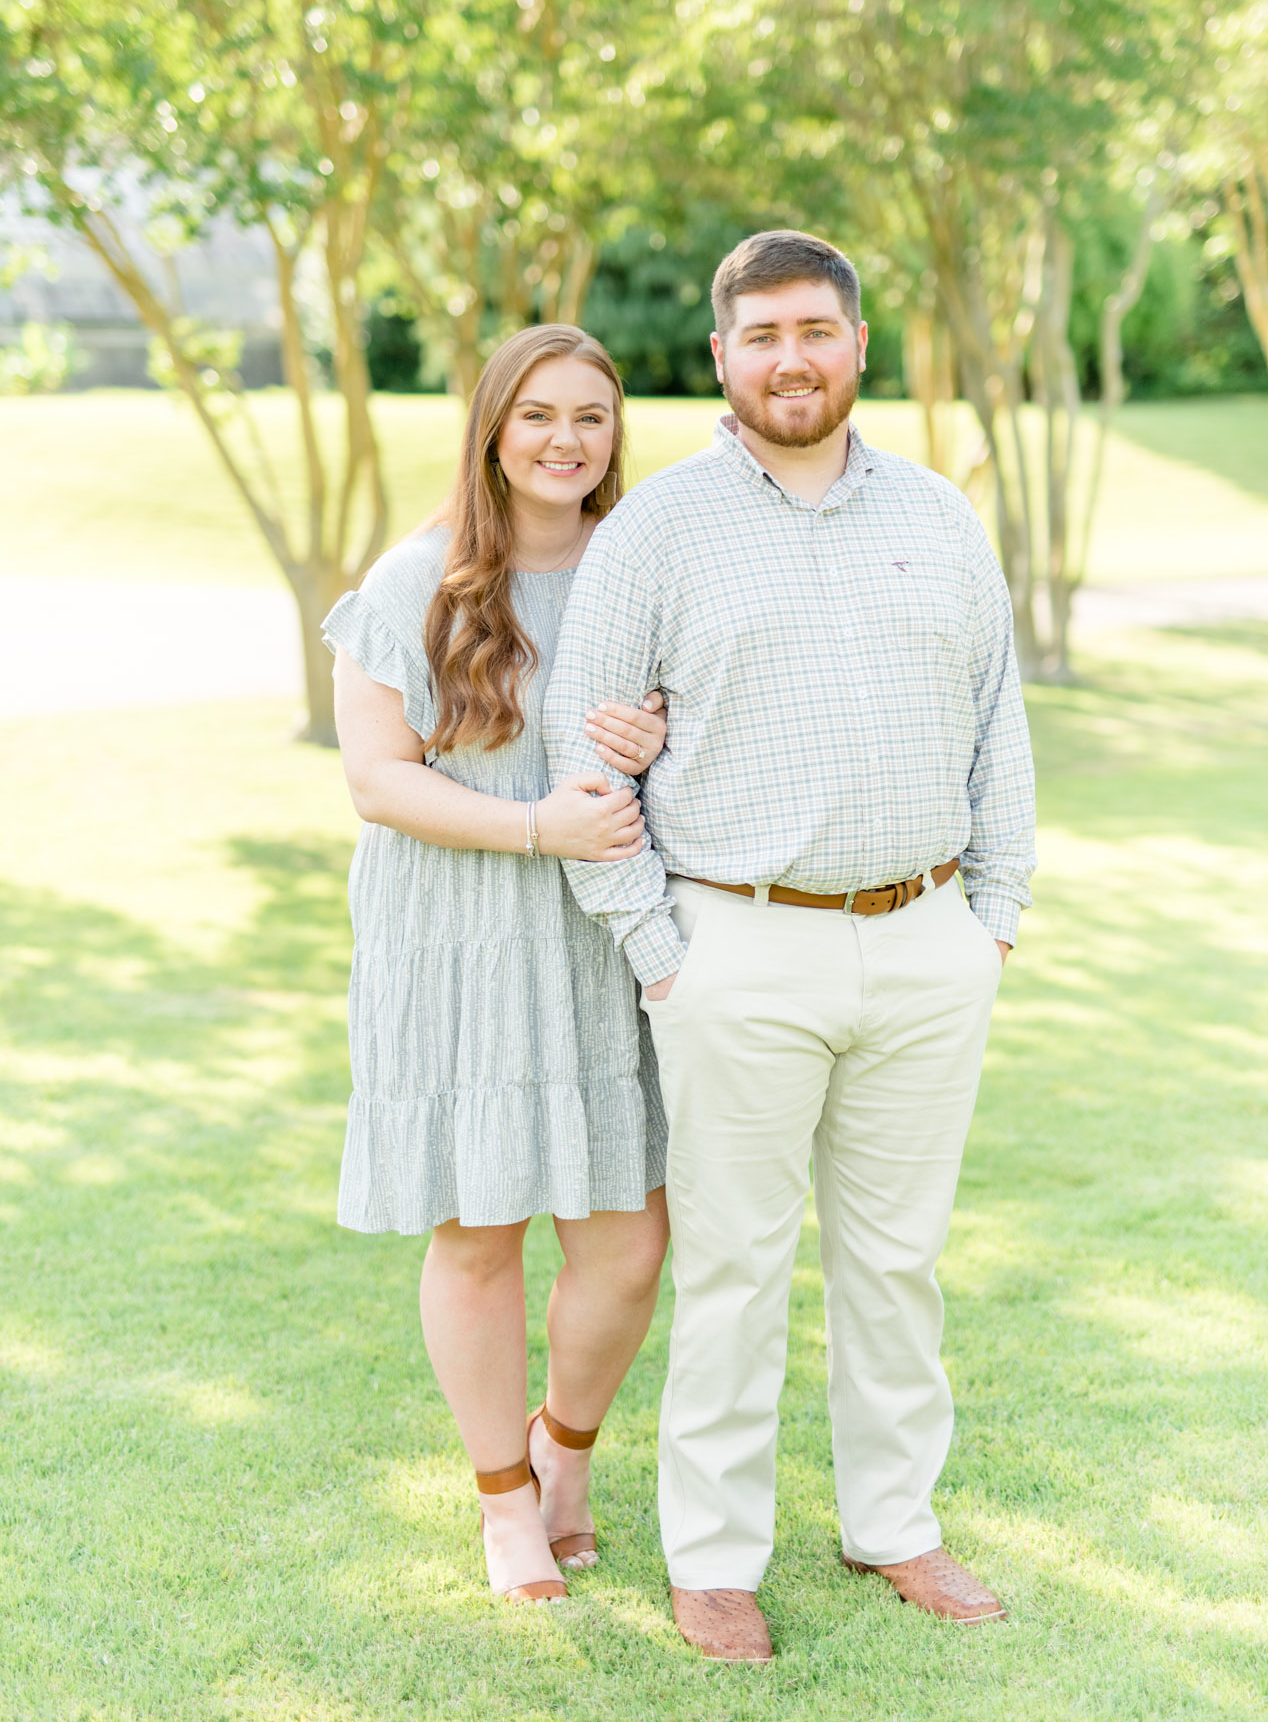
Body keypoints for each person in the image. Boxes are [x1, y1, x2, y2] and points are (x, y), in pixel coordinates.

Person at [543, 231, 1036, 1661]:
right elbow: (589, 756)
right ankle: (710, 1558)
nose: (789, 358)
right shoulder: (659, 528)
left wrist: (988, 916)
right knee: (735, 1268)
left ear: (857, 345)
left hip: (926, 939)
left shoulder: (940, 514)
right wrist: (658, 948)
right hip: (734, 950)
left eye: (814, 330)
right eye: (759, 334)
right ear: (721, 358)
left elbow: (994, 715)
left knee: (897, 1262)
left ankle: (894, 1524)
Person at [323, 324, 671, 1607]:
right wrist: (537, 825)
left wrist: (654, 737)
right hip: (461, 939)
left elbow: (697, 747)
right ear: (490, 429)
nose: (565, 439)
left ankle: (563, 1452)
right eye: (537, 415)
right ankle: (502, 1499)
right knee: (478, 1230)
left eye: (591, 414)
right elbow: (374, 780)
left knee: (629, 1241)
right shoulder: (418, 576)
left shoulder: (642, 568)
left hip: (598, 943)